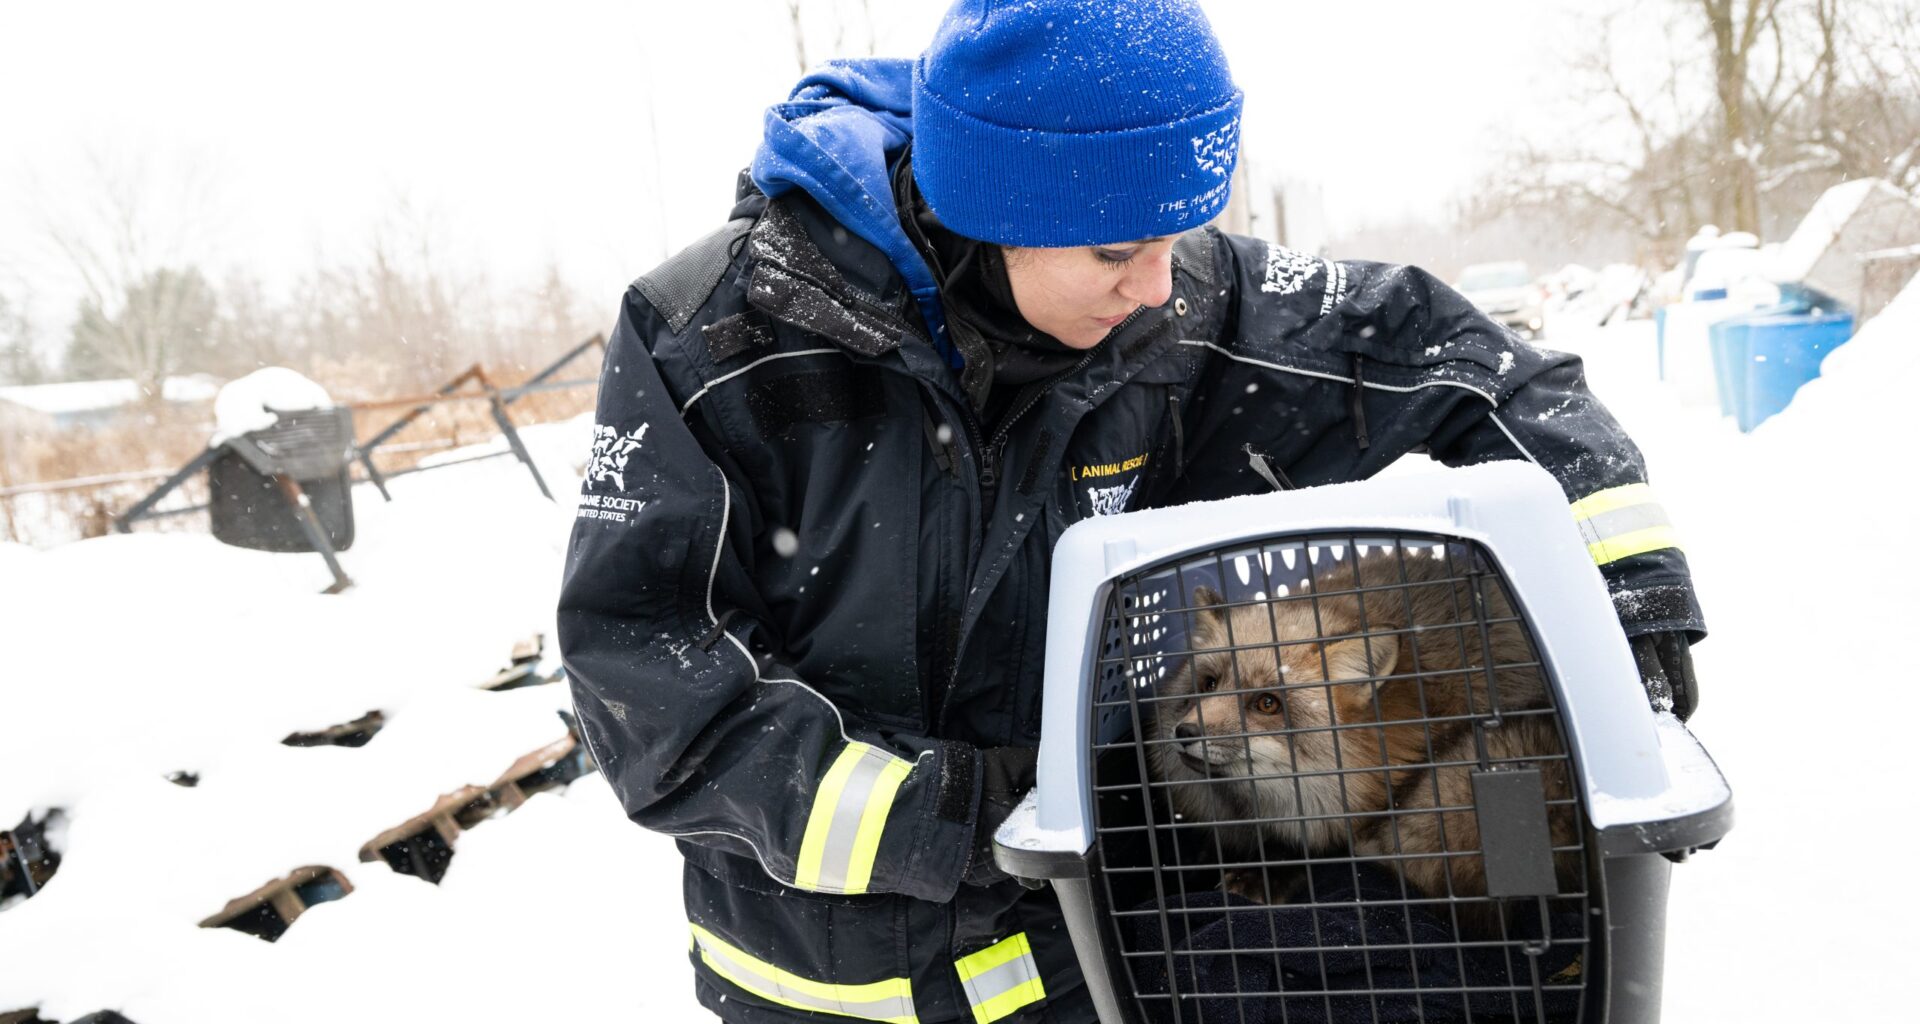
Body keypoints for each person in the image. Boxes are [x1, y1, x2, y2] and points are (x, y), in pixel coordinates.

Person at [557, 2, 1704, 1021]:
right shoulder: (712, 341)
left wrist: (1629, 589)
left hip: (1100, 957)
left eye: (1176, 239)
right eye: (1119, 250)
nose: (1158, 284)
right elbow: (653, 699)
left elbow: (1479, 369)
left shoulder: (1175, 305)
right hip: (827, 986)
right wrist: (951, 812)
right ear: (996, 208)